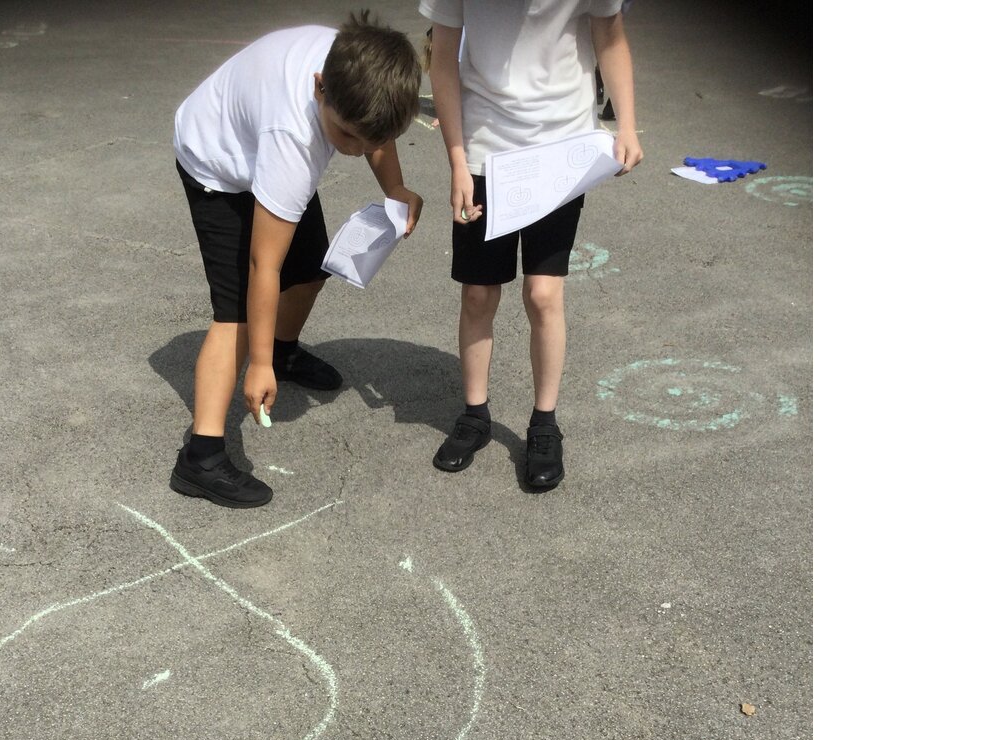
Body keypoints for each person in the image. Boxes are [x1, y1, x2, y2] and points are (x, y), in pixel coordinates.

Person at [170, 11, 424, 508]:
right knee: (236, 315)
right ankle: (200, 458)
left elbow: (372, 129)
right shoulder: (294, 139)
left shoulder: (358, 74)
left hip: (263, 142)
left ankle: (285, 351)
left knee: (309, 269)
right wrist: (257, 363)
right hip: (215, 162)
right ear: (319, 87)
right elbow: (263, 266)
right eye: (348, 136)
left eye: (370, 140)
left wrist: (395, 186)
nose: (358, 150)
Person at [421, 0, 642, 491]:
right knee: (478, 293)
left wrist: (626, 124)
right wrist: (457, 161)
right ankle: (475, 414)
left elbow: (610, 36)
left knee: (544, 294)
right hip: (485, 146)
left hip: (562, 149)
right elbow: (443, 59)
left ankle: (545, 422)